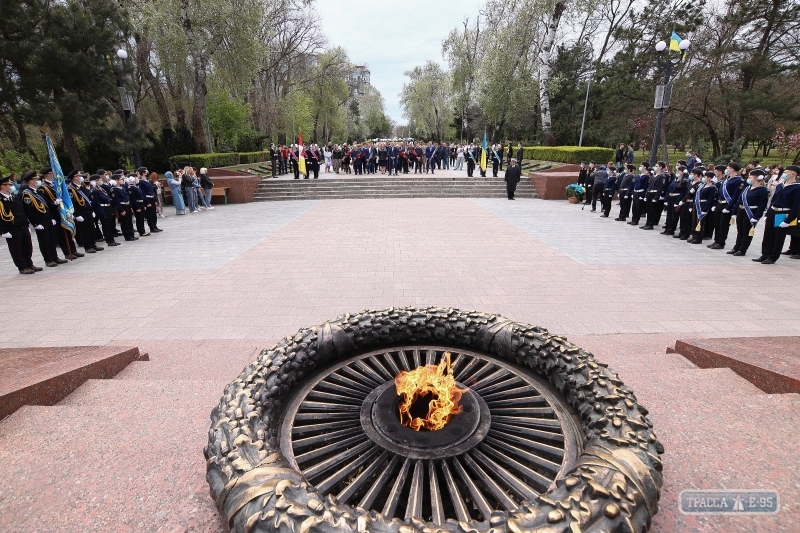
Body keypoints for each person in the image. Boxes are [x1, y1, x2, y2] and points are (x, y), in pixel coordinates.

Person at [754, 165, 800, 264]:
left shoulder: (797, 187)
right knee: (768, 234)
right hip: (773, 211)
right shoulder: (780, 185)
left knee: (778, 236)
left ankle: (773, 256)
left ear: (793, 174)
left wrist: (789, 220)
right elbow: (773, 199)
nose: (783, 174)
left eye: (786, 172)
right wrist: (767, 214)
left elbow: (796, 205)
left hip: (783, 213)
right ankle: (765, 254)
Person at [40, 168, 82, 260]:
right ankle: (67, 252)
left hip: (64, 211)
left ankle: (73, 250)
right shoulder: (43, 187)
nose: (53, 175)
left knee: (68, 231)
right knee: (61, 234)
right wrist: (53, 202)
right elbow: (44, 201)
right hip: (55, 212)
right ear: (47, 175)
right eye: (51, 174)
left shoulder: (57, 185)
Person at [0, 174, 39, 274]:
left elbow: (22, 211)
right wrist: (3, 230)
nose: (11, 186)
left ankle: (29, 263)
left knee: (27, 246)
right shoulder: (1, 200)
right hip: (12, 227)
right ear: (2, 186)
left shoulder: (14, 197)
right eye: (8, 185)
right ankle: (22, 267)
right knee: (16, 248)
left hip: (23, 225)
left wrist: (27, 223)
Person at [727, 169, 769, 257]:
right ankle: (736, 247)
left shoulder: (763, 190)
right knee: (740, 230)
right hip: (740, 211)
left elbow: (762, 205)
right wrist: (734, 212)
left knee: (746, 231)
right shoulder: (747, 188)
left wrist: (757, 216)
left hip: (751, 212)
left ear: (757, 178)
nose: (748, 178)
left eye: (750, 177)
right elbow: (739, 200)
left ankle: (742, 249)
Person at [67, 172, 101, 253]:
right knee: (84, 230)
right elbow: (72, 203)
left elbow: (88, 199)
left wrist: (92, 210)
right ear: (74, 178)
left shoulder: (82, 187)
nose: (81, 177)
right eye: (79, 176)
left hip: (88, 210)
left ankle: (93, 244)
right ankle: (87, 247)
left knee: (91, 228)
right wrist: (76, 215)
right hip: (81, 212)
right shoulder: (71, 189)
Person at [688, 171, 718, 244]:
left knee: (700, 222)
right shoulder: (701, 185)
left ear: (709, 178)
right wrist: (691, 205)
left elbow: (710, 199)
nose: (704, 178)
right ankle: (694, 236)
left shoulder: (712, 188)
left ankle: (698, 238)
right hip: (696, 204)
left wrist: (706, 209)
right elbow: (695, 196)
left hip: (703, 204)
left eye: (705, 177)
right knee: (694, 221)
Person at [90, 173, 119, 247]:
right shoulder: (94, 190)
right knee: (106, 226)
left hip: (108, 207)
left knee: (110, 225)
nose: (100, 181)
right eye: (99, 180)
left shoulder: (100, 188)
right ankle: (109, 241)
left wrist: (111, 210)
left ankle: (112, 240)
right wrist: (102, 213)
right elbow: (96, 203)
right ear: (95, 181)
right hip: (103, 208)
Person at [641, 161, 669, 230]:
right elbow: (649, 185)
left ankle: (651, 224)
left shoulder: (662, 176)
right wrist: (646, 194)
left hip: (654, 193)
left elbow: (660, 187)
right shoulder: (653, 176)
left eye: (657, 166)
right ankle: (647, 222)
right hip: (650, 193)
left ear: (661, 167)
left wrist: (656, 197)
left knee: (653, 210)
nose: (655, 167)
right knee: (648, 209)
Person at [111, 176, 136, 241]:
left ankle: (131, 234)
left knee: (129, 221)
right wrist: (121, 210)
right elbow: (116, 201)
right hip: (122, 206)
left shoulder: (122, 188)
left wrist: (130, 207)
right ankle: (127, 236)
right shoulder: (114, 190)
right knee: (124, 222)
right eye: (121, 179)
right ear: (116, 180)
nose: (122, 181)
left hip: (127, 205)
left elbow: (128, 197)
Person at [138, 167, 162, 231]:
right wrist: (147, 202)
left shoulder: (147, 180)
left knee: (154, 213)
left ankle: (155, 226)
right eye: (146, 171)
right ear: (143, 173)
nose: (147, 171)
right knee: (150, 214)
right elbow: (142, 192)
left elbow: (152, 190)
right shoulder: (141, 182)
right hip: (147, 198)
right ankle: (152, 227)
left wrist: (155, 200)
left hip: (152, 197)